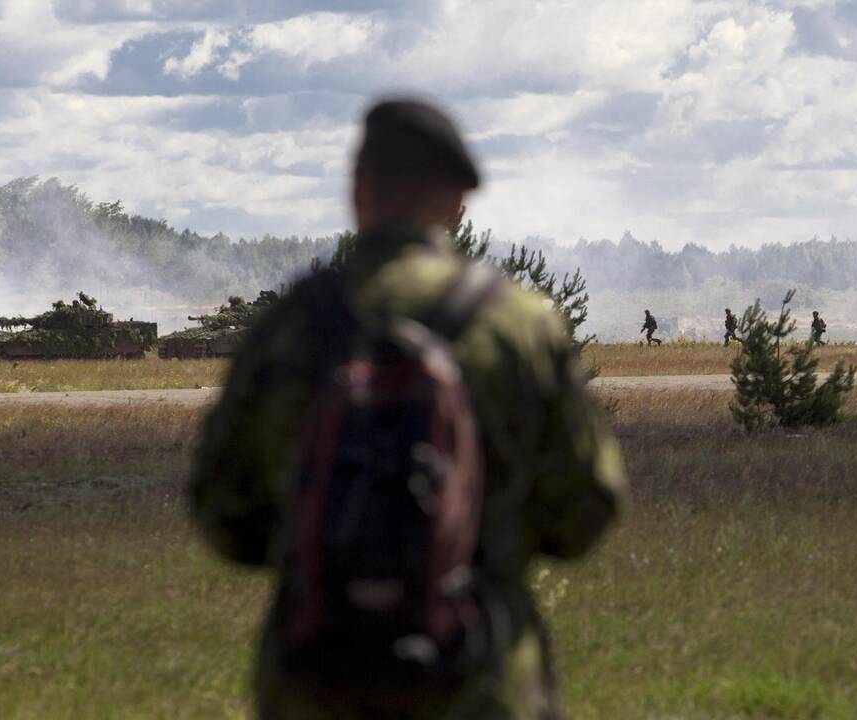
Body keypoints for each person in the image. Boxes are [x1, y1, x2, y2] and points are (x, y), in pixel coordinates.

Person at [189, 97, 626, 720]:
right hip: (480, 683)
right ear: (457, 204)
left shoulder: (286, 328)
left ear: (356, 190)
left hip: (315, 687)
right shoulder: (519, 327)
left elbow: (223, 516)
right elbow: (586, 510)